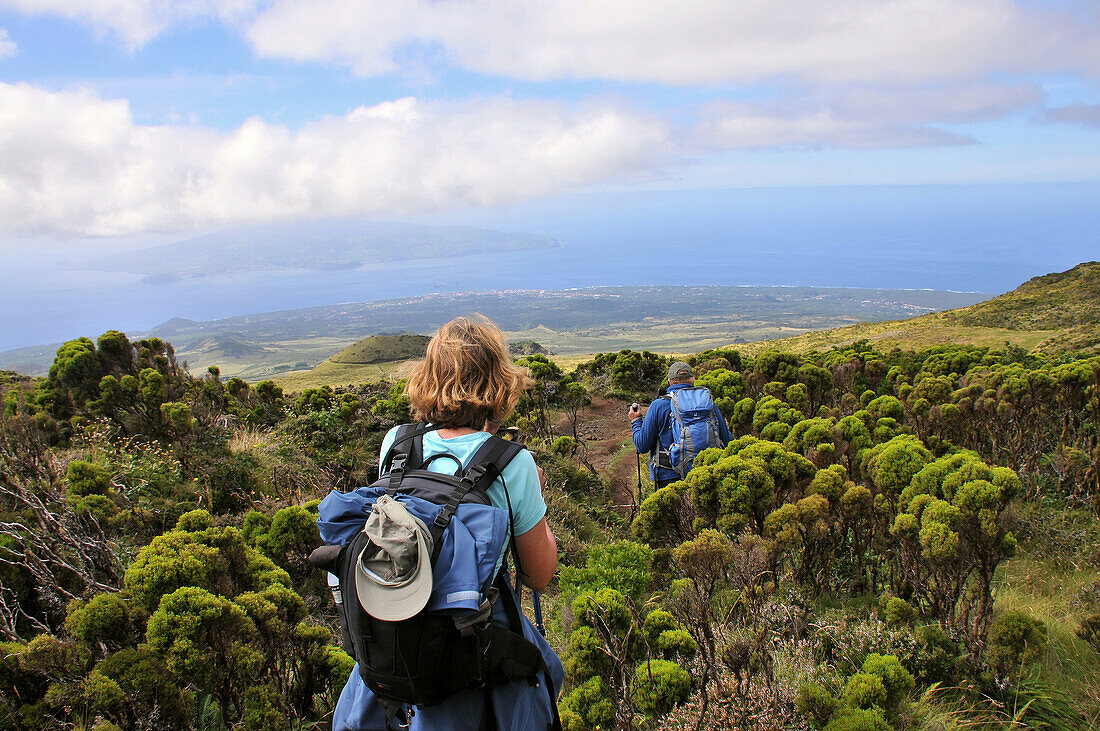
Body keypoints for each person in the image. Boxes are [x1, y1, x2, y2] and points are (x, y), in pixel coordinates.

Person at [331, 315, 562, 730]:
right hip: (467, 651)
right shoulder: (512, 463)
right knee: (549, 672)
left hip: (392, 642)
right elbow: (539, 575)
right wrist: (532, 494)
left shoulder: (397, 443)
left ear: (429, 377)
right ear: (498, 382)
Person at [629, 361, 732, 490]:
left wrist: (636, 421)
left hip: (669, 478)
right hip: (705, 474)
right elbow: (728, 441)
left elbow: (642, 445)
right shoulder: (709, 403)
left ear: (670, 381)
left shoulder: (659, 405)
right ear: (693, 380)